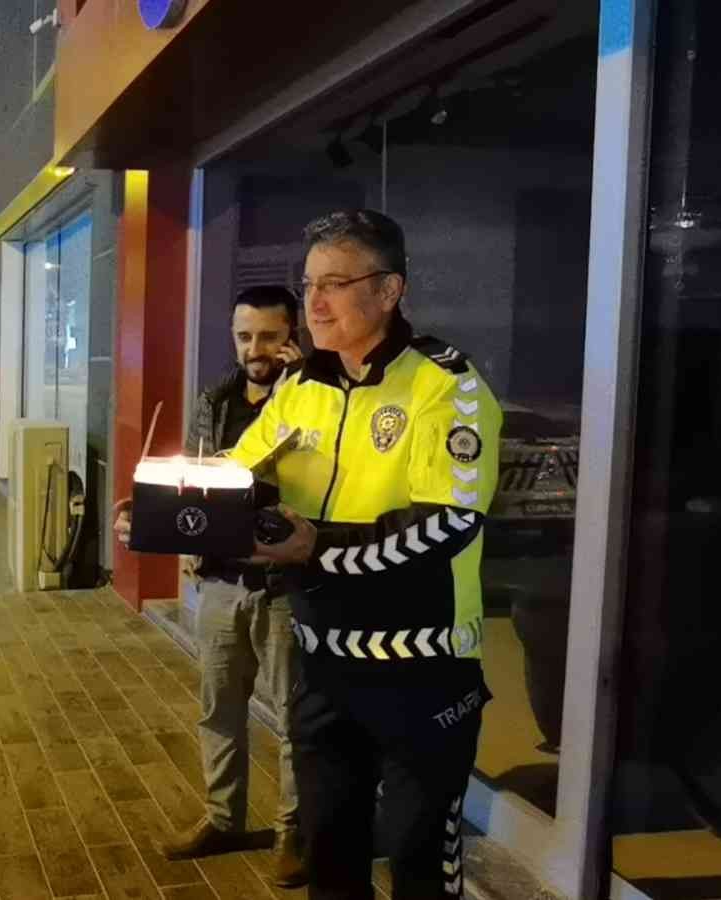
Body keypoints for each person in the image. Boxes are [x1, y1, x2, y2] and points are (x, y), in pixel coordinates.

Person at [227, 210, 501, 900]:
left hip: (424, 670)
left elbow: (446, 524)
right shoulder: (302, 386)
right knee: (329, 856)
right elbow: (241, 472)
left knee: (417, 865)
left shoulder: (448, 385)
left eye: (336, 283)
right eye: (309, 283)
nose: (312, 303)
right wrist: (173, 508)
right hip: (324, 663)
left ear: (388, 291)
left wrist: (317, 548)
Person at [113, 284, 307, 886]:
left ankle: (294, 832)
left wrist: (307, 386)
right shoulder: (217, 399)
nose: (257, 348)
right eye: (246, 336)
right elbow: (191, 489)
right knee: (218, 709)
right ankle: (224, 818)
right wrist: (142, 512)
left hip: (284, 585)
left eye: (271, 336)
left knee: (296, 718)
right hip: (221, 582)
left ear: (292, 336)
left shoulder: (316, 403)